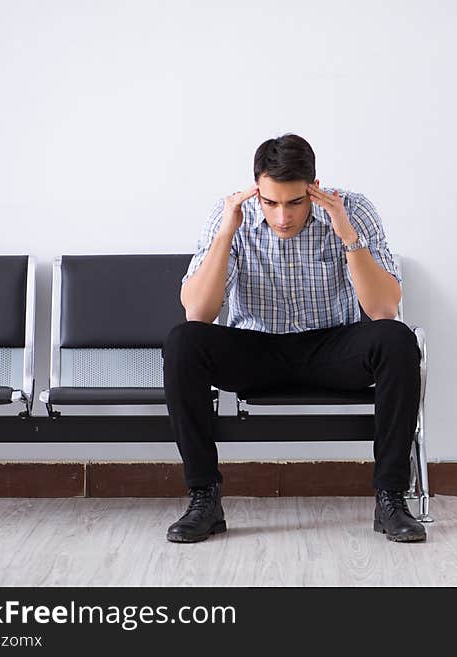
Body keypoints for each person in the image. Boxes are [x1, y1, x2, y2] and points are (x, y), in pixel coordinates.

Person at [162, 133, 425, 544]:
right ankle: (204, 498)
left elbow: (383, 310)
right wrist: (225, 235)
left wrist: (345, 233)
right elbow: (198, 312)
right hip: (258, 349)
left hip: (331, 348)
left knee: (396, 339)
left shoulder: (353, 210)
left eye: (295, 202)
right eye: (271, 203)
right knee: (183, 341)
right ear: (257, 191)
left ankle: (391, 498)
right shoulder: (232, 212)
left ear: (314, 188)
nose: (282, 217)